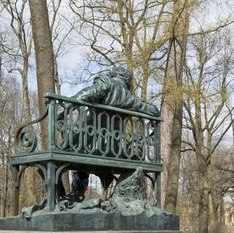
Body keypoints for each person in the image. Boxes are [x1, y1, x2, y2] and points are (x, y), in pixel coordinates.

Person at [59, 66, 160, 202]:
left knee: (57, 162)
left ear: (113, 76)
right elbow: (154, 111)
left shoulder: (106, 83)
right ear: (127, 81)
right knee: (81, 157)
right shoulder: (129, 98)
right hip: (112, 151)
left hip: (85, 148)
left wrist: (62, 108)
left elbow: (86, 94)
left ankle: (71, 195)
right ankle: (75, 194)